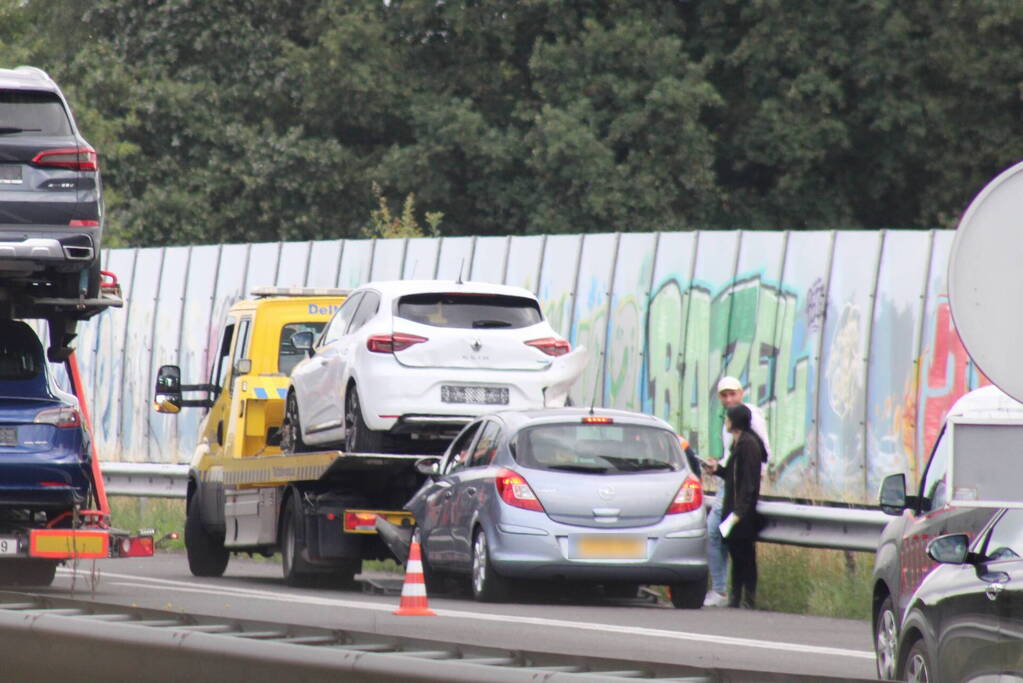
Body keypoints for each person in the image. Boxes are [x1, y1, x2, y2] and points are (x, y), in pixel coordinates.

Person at [702, 376, 771, 607]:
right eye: (724, 395)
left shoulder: (749, 437)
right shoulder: (737, 441)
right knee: (733, 545)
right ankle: (733, 596)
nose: (728, 399)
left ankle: (735, 596)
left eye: (732, 394)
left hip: (740, 505)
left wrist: (740, 510)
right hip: (734, 499)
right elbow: (733, 469)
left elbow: (752, 473)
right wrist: (718, 469)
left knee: (737, 548)